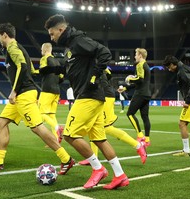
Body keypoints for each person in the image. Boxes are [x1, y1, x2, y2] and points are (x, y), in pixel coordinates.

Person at [44, 14, 128, 190]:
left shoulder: (78, 41)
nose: (51, 38)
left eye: (52, 34)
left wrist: (95, 76)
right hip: (92, 97)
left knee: (69, 135)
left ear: (61, 29)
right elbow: (70, 68)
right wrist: (51, 68)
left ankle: (98, 169)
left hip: (88, 95)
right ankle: (120, 175)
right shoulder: (70, 47)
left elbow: (104, 53)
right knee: (99, 140)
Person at [0, 22, 75, 174]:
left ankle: (66, 159)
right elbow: (31, 70)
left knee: (37, 128)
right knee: (1, 121)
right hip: (22, 94)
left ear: (5, 35)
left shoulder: (12, 47)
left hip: (23, 94)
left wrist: (14, 91)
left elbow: (23, 67)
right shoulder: (19, 48)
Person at [79, 68, 147, 165]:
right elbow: (108, 75)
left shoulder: (96, 64)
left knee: (105, 127)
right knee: (93, 127)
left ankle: (138, 145)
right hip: (99, 95)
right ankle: (93, 158)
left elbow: (107, 75)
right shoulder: (95, 65)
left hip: (105, 96)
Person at [118, 48, 152, 146]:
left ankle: (140, 135)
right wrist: (125, 88)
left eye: (136, 54)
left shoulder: (140, 65)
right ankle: (147, 140)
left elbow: (139, 80)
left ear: (140, 55)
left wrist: (130, 79)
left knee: (130, 114)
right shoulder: (147, 66)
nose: (135, 56)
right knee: (145, 116)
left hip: (140, 94)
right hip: (147, 94)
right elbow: (140, 83)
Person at [36, 42, 64, 143]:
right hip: (57, 91)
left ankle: (58, 128)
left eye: (41, 50)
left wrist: (33, 72)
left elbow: (42, 70)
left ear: (45, 49)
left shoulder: (44, 59)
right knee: (51, 115)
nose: (41, 52)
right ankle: (56, 139)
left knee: (41, 113)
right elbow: (61, 77)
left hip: (47, 89)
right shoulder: (57, 61)